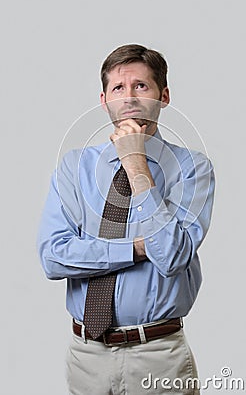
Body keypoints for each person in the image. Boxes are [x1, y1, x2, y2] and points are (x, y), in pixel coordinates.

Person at [37, 44, 215, 395]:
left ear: (163, 96)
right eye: (119, 88)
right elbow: (54, 257)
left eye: (141, 86)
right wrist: (135, 249)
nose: (129, 98)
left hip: (158, 354)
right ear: (104, 100)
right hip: (87, 355)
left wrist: (136, 164)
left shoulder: (192, 169)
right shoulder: (74, 168)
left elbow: (172, 256)